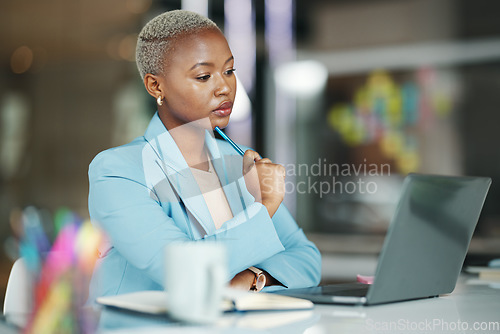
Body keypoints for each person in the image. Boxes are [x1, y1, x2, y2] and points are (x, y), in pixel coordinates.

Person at [87, 10, 321, 302]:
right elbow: (181, 271)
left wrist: (250, 280)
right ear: (155, 86)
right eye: (203, 76)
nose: (224, 87)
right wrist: (264, 207)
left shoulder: (239, 163)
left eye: (229, 71)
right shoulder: (117, 171)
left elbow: (308, 260)